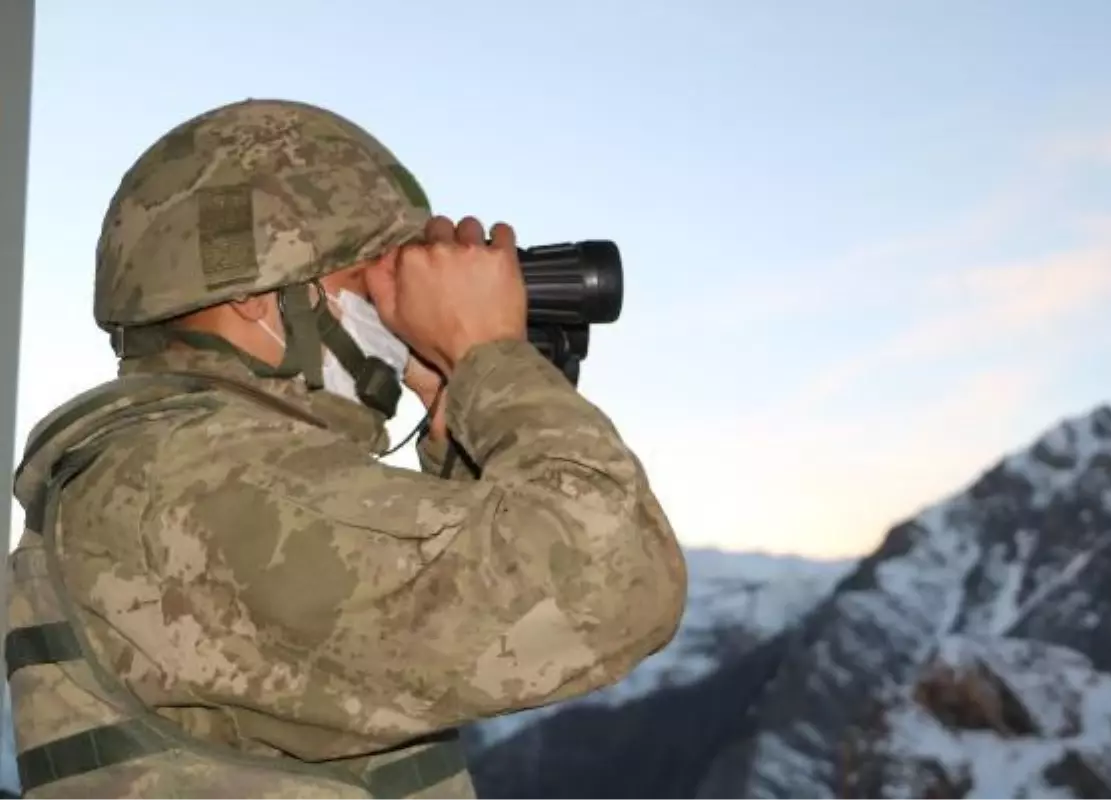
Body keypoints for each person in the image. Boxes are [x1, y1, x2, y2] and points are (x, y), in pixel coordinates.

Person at [5, 98, 687, 799]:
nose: (397, 310)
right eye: (374, 277)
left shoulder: (170, 469)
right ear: (256, 295)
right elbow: (609, 585)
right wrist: (489, 356)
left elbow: (447, 629)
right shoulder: (201, 478)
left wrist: (459, 412)